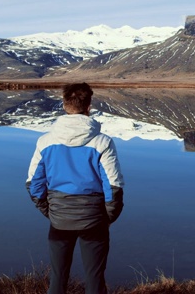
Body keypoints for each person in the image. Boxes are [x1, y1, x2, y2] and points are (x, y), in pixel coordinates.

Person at [26, 82, 124, 294]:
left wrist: (51, 212)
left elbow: (34, 185)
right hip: (94, 219)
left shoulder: (45, 142)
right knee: (95, 280)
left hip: (59, 219)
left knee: (58, 278)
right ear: (89, 106)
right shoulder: (102, 142)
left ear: (64, 105)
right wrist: (106, 218)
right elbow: (114, 186)